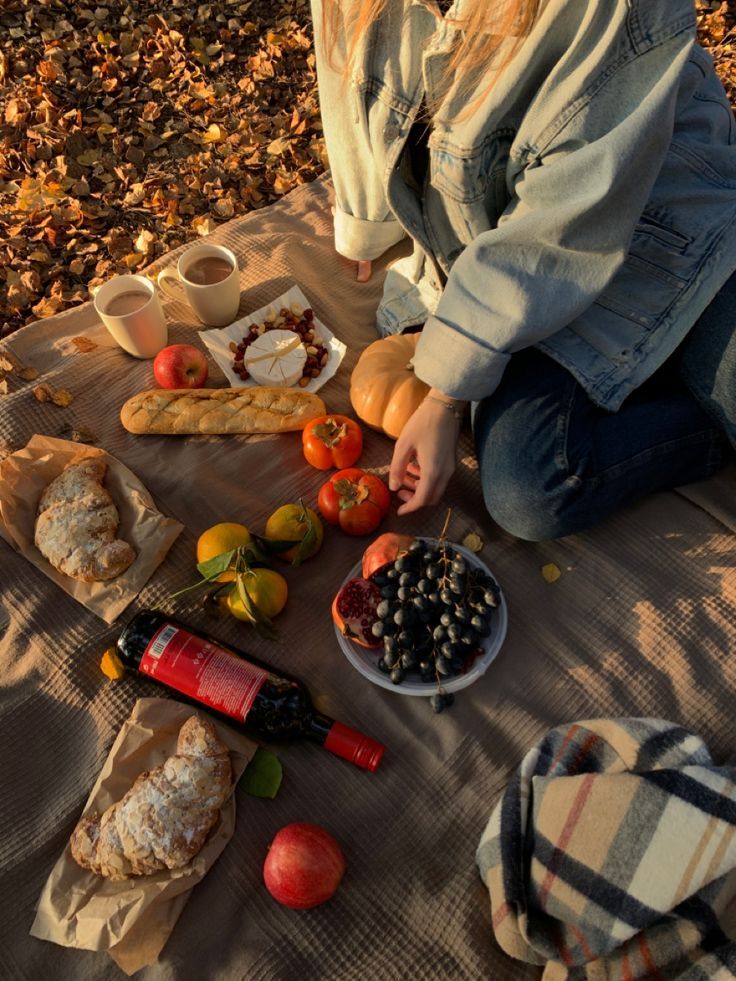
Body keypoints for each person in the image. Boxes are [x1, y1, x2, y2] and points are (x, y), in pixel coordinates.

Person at [310, 0, 736, 539]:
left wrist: (445, 397)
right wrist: (363, 220)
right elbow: (348, 82)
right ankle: (697, 420)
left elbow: (565, 214)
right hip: (517, 257)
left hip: (669, 229)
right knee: (529, 491)